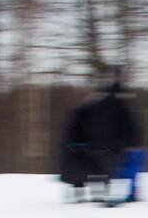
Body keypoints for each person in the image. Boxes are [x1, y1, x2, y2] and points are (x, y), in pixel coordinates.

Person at [59, 66, 142, 203]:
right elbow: (75, 130)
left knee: (95, 173)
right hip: (89, 149)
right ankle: (94, 198)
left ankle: (96, 197)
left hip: (93, 148)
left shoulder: (91, 110)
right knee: (92, 173)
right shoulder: (86, 111)